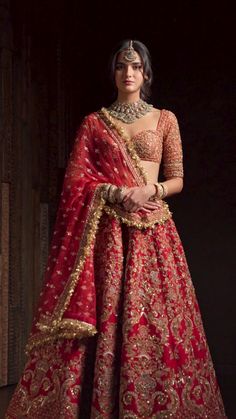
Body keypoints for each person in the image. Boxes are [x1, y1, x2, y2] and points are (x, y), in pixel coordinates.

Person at [6, 39, 226, 418]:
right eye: (122, 66)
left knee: (157, 321)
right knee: (107, 316)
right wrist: (113, 191)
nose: (129, 73)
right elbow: (76, 181)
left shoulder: (165, 119)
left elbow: (178, 179)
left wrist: (148, 190)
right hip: (108, 235)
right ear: (114, 72)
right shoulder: (95, 123)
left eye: (136, 66)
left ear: (146, 73)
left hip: (154, 231)